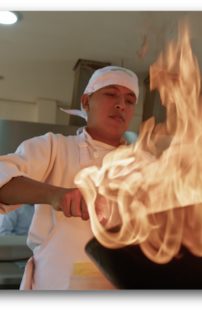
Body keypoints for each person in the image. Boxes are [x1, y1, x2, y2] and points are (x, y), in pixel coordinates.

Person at [0, 66, 141, 290]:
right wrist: (54, 194)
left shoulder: (146, 164)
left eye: (129, 100)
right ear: (86, 102)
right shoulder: (53, 147)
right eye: (111, 94)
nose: (120, 105)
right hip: (57, 282)